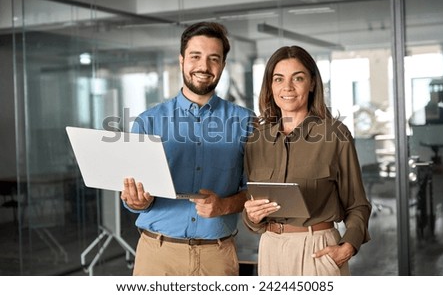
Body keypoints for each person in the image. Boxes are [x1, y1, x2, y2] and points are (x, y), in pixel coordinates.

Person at [121, 22, 254, 276]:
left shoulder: (246, 123)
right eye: (195, 56)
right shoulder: (148, 121)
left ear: (223, 66)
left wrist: (224, 206)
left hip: (217, 257)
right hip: (157, 256)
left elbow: (256, 190)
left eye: (213, 59)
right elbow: (131, 196)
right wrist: (136, 201)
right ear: (182, 60)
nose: (204, 66)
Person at [242, 45, 371, 276]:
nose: (287, 87)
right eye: (278, 79)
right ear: (270, 87)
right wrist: (251, 216)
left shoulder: (335, 135)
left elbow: (357, 204)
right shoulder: (256, 140)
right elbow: (254, 211)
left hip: (317, 250)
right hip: (270, 248)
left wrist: (348, 246)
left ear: (312, 83)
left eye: (298, 78)